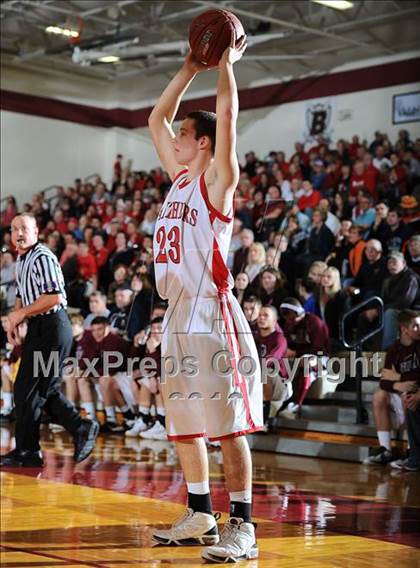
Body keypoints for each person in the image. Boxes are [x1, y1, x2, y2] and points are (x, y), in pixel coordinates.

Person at [148, 40, 262, 563]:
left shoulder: (218, 182)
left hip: (213, 312)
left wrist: (225, 67)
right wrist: (189, 67)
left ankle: (243, 524)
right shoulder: (177, 181)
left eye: (184, 135)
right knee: (185, 422)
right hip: (176, 313)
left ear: (203, 143)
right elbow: (156, 118)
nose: (173, 139)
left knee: (228, 424)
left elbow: (228, 116)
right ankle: (200, 513)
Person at [1, 214, 98, 468]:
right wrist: (15, 321)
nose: (18, 233)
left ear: (36, 232)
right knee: (26, 389)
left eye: (24, 228)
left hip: (54, 326)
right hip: (39, 328)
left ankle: (78, 427)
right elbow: (22, 295)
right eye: (14, 229)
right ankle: (29, 450)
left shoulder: (42, 256)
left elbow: (54, 296)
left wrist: (21, 314)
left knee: (39, 389)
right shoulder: (22, 259)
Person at [365, 310, 419, 468]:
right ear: (404, 329)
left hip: (416, 396)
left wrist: (399, 377)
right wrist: (397, 384)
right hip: (402, 392)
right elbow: (384, 380)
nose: (419, 329)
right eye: (416, 326)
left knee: (408, 395)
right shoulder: (394, 349)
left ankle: (412, 452)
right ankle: (385, 450)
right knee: (379, 395)